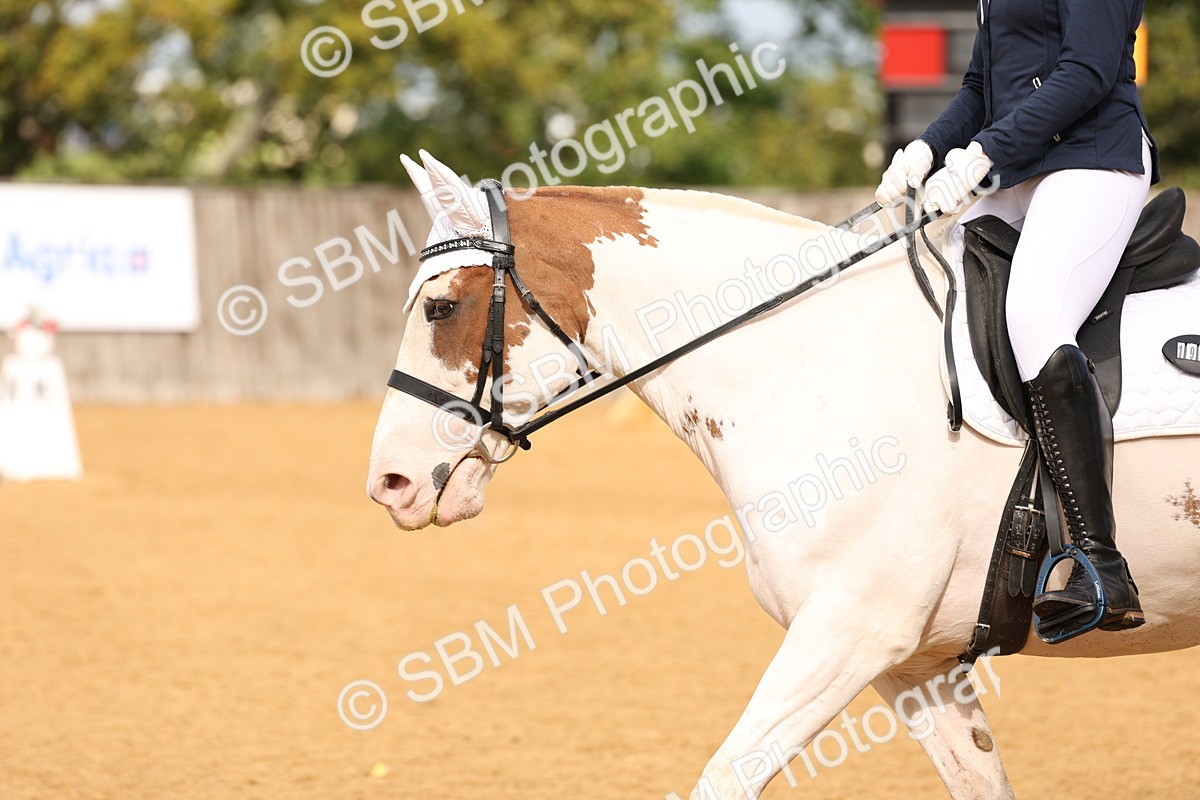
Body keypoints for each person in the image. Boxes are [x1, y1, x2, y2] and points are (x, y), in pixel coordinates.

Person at [875, 0, 1158, 633]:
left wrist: (982, 154)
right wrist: (927, 147)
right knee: (917, 288)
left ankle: (1101, 563)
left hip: (1092, 158)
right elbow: (982, 85)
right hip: (1016, 168)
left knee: (1033, 315)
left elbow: (1087, 70)